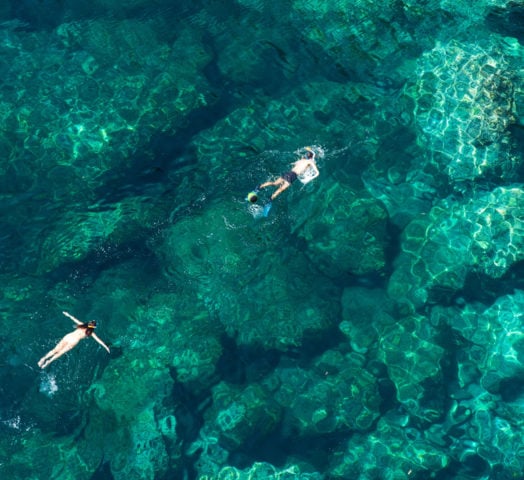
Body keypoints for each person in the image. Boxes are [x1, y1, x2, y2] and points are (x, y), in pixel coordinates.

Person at [38, 311, 110, 369]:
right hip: (73, 341)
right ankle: (48, 362)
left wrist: (67, 314)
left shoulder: (82, 325)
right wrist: (106, 347)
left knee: (55, 350)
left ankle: (43, 359)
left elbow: (73, 318)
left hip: (68, 336)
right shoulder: (91, 333)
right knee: (60, 353)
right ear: (93, 328)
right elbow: (99, 340)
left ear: (88, 324)